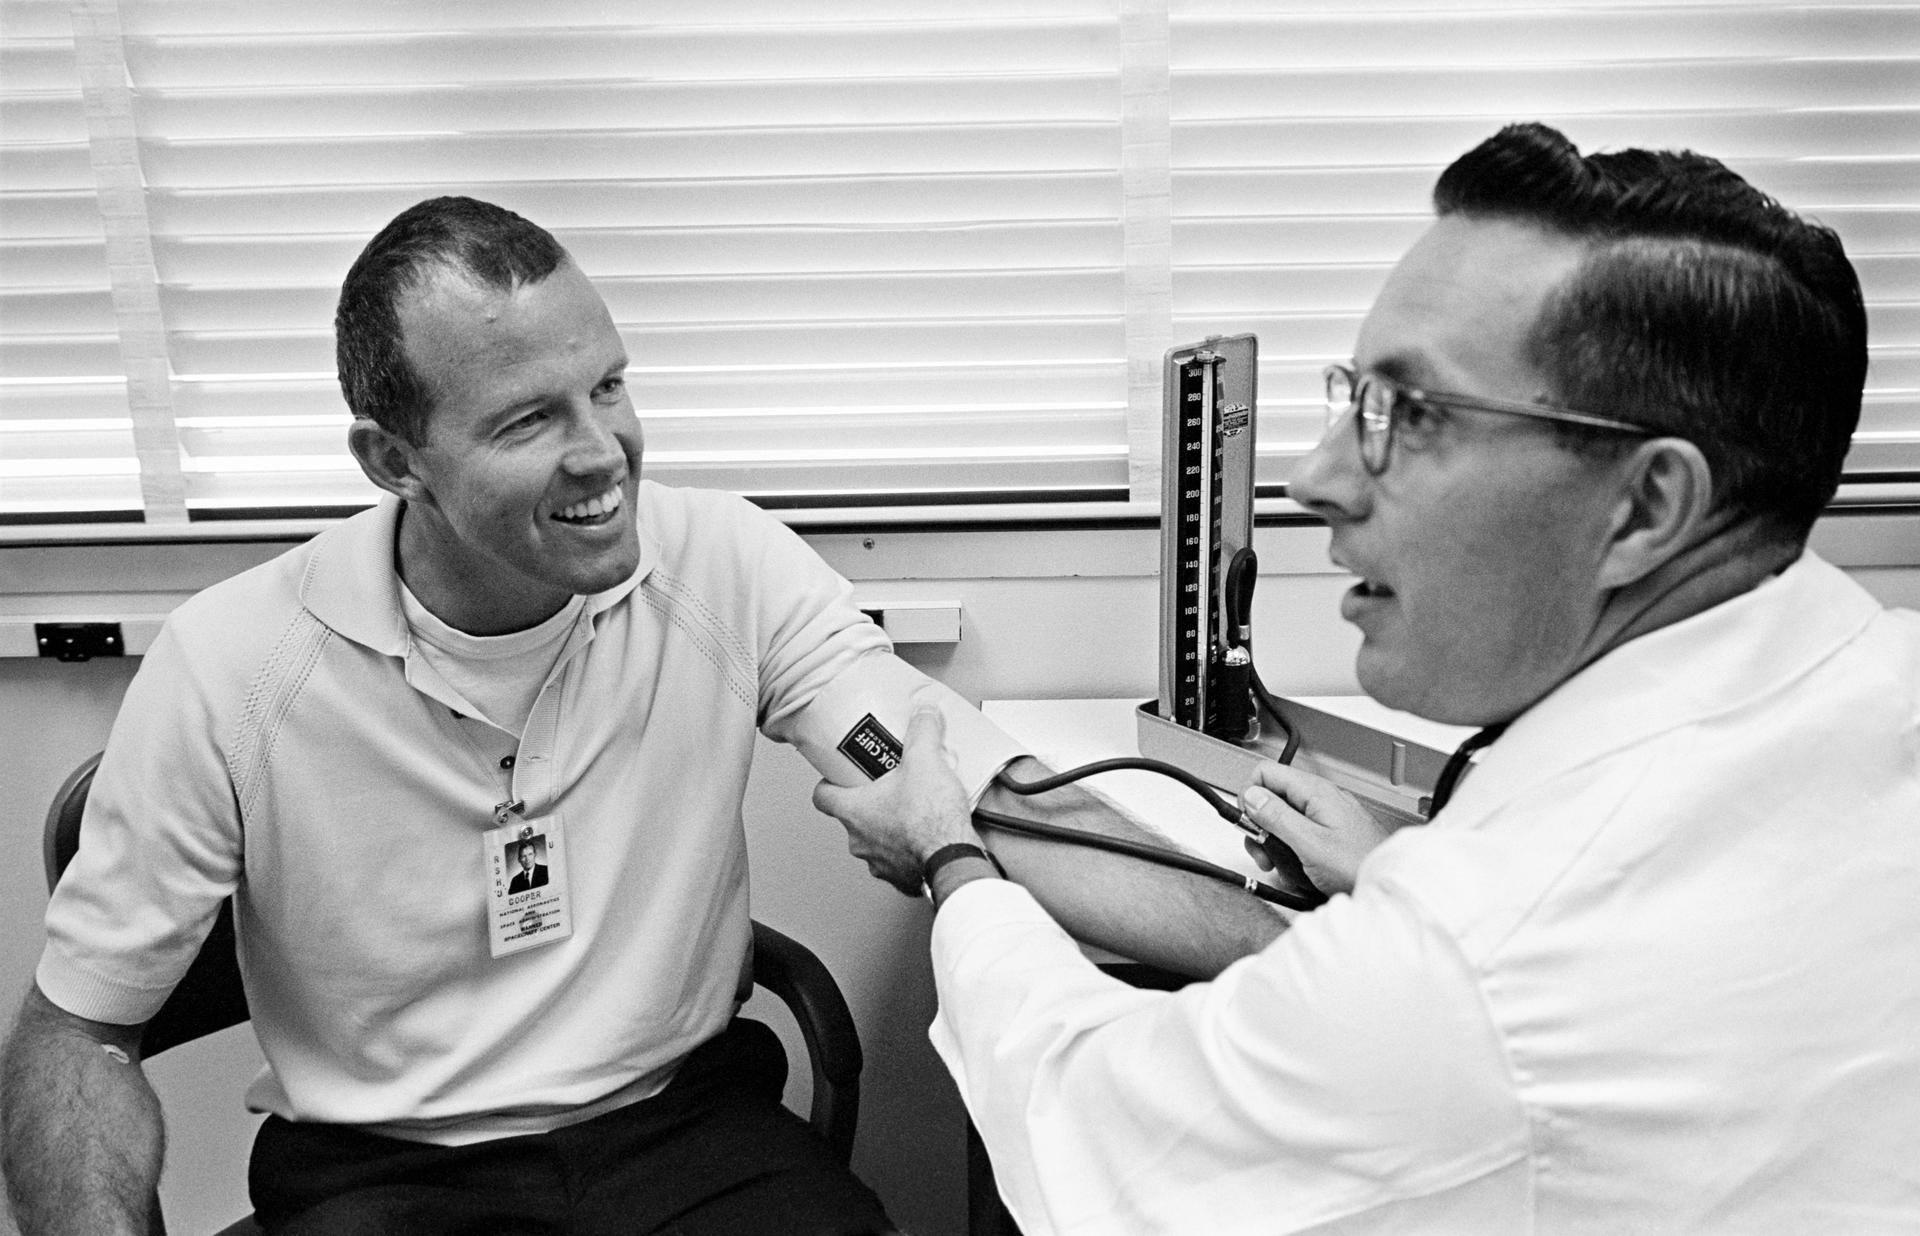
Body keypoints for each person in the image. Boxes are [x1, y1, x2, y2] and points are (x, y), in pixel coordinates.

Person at [0, 197, 1282, 1236]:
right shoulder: (232, 668)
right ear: (393, 461)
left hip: (683, 1130)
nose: (604, 451)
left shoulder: (721, 567)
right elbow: (77, 1035)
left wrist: (1311, 955)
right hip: (386, 1177)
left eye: (609, 386)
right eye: (528, 419)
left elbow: (969, 795)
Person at [815, 123, 1920, 1233]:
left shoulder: (1480, 961)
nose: (1319, 477)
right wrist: (1406, 867)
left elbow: (1093, 1134)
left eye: (1415, 416)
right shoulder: (1883, 668)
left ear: (1646, 508)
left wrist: (949, 855)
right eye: (1354, 398)